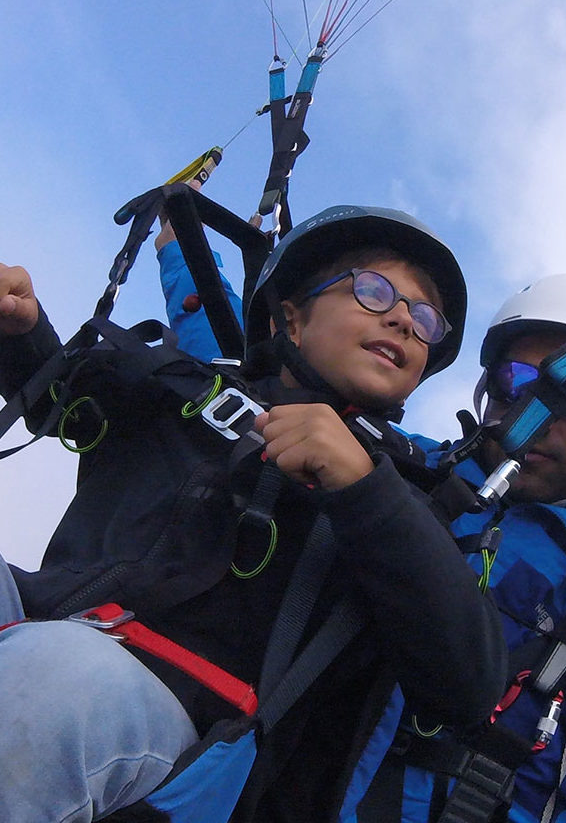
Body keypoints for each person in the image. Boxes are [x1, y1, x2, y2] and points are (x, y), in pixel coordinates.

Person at [155, 250, 566, 822]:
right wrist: (176, 249)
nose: (545, 409)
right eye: (521, 380)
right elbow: (259, 380)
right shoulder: (402, 471)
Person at [0, 204, 507, 823]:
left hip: (190, 741)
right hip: (37, 621)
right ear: (290, 319)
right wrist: (19, 331)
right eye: (374, 290)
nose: (404, 319)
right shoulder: (188, 387)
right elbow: (75, 407)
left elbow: (469, 684)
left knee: (56, 680)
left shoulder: (415, 496)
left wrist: (365, 490)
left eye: (426, 318)